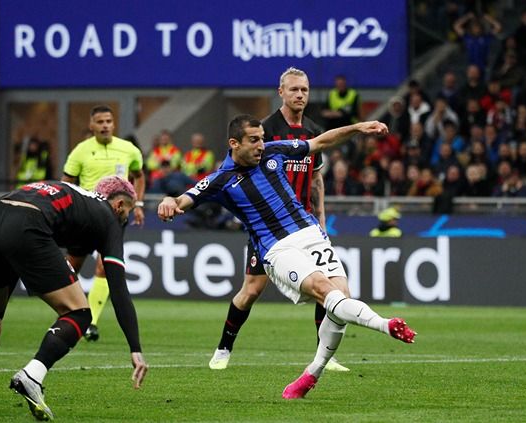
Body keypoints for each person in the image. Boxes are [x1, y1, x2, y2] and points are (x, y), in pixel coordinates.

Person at [159, 115, 415, 399]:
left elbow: (320, 142)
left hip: (311, 233)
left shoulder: (275, 151)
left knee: (341, 297)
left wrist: (357, 128)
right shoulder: (221, 180)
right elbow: (183, 199)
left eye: (262, 138)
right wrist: (170, 201)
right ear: (234, 144)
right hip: (277, 247)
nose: (261, 145)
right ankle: (385, 324)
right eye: (254, 140)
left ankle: (311, 375)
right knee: (323, 290)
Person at [0, 177, 147, 419]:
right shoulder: (110, 219)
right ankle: (32, 375)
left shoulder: (74, 196)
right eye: (127, 213)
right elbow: (118, 288)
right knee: (79, 313)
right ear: (119, 205)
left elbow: (15, 251)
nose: (126, 220)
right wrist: (135, 348)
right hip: (27, 224)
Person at [209, 68, 350, 372]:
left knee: (324, 287)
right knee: (251, 292)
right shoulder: (266, 130)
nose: (300, 95)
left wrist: (322, 218)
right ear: (281, 92)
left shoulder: (313, 131)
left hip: (306, 226)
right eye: (294, 89)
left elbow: (316, 180)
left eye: (305, 90)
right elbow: (236, 168)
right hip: (270, 229)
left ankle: (325, 355)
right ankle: (224, 346)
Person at [62, 105, 146, 342]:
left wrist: (136, 205)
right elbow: (66, 182)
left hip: (114, 218)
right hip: (84, 216)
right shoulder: (80, 151)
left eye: (109, 120)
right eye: (100, 121)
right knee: (72, 266)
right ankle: (68, 310)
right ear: (91, 125)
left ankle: (90, 322)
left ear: (114, 123)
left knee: (104, 267)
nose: (105, 125)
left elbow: (139, 176)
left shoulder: (128, 150)